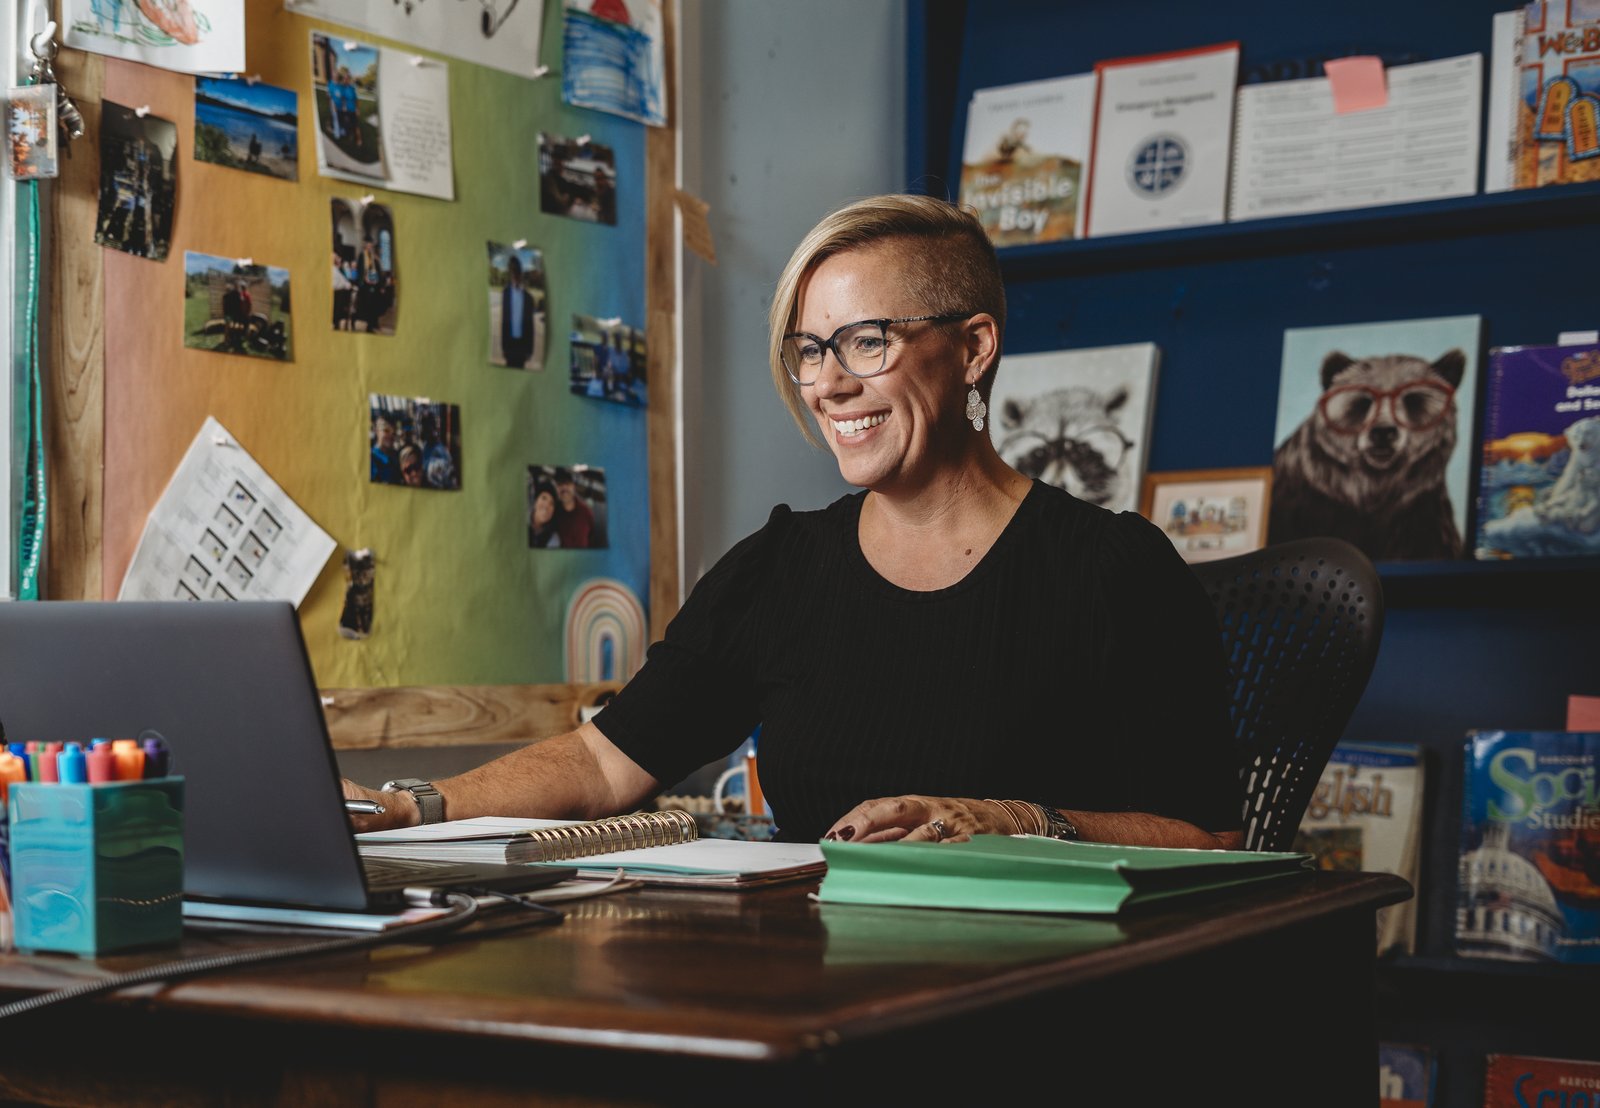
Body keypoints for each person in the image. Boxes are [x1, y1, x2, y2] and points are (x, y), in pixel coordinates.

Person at [345, 194, 1241, 851]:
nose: (827, 385)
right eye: (810, 349)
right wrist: (414, 808)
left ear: (973, 348)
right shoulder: (780, 569)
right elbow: (605, 763)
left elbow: (1212, 838)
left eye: (867, 341)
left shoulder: (1112, 570)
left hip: (1040, 1005)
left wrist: (1014, 822)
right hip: (823, 993)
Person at [500, 254, 538, 369]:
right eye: (511, 271)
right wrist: (503, 346)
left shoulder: (528, 298)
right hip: (509, 344)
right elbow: (504, 321)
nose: (514, 275)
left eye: (516, 271)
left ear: (520, 273)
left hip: (522, 345)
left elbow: (531, 326)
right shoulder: (505, 294)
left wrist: (530, 350)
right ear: (509, 273)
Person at [552, 468, 594, 548]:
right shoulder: (553, 512)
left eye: (567, 483)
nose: (564, 487)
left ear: (574, 486)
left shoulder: (586, 512)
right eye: (560, 483)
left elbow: (593, 538)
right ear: (556, 488)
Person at [528, 482, 562, 548]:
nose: (546, 506)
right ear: (535, 502)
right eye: (544, 498)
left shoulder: (553, 540)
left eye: (551, 503)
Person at [370, 414, 401, 484]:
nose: (390, 435)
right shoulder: (371, 458)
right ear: (376, 431)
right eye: (386, 431)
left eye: (393, 432)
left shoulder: (397, 455)